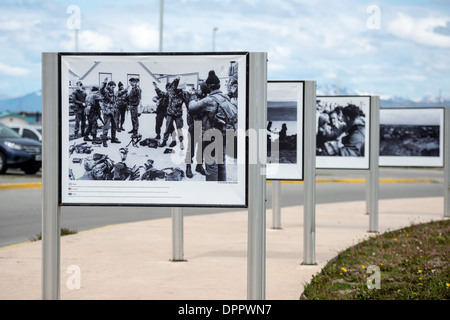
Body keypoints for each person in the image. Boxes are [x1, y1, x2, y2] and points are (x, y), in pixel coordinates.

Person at [188, 70, 227, 181]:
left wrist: (193, 97)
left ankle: (212, 192)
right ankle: (222, 188)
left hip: (211, 136)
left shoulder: (209, 100)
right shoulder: (225, 98)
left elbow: (192, 107)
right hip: (224, 135)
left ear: (209, 87)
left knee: (211, 165)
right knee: (221, 163)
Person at [158, 76, 187, 149]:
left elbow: (187, 102)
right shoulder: (170, 91)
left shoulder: (183, 93)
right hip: (170, 113)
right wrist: (156, 88)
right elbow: (162, 94)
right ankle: (164, 141)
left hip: (178, 114)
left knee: (179, 129)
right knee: (167, 128)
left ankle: (181, 143)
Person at [100, 79, 121, 147]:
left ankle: (113, 139)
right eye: (112, 87)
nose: (113, 88)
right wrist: (104, 83)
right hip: (107, 112)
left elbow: (118, 95)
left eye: (114, 87)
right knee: (106, 126)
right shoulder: (105, 92)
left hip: (113, 111)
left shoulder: (114, 93)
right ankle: (104, 141)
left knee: (114, 126)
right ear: (109, 86)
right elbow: (101, 89)